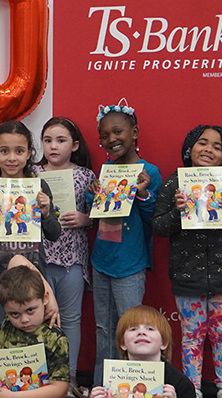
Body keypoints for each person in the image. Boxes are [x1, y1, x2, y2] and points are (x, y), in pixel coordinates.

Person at [152, 125, 222, 398]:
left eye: (217, 147)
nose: (208, 149)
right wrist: (177, 211)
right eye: (202, 143)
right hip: (187, 275)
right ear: (189, 149)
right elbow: (158, 226)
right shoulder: (174, 183)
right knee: (191, 336)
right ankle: (191, 387)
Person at [88, 100, 161, 386]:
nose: (111, 140)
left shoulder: (149, 172)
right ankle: (100, 386)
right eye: (104, 136)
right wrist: (93, 193)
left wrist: (142, 194)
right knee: (103, 328)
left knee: (130, 330)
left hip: (129, 263)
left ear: (134, 132)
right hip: (101, 260)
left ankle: (130, 388)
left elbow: (154, 221)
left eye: (117, 132)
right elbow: (97, 214)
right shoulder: (105, 171)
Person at [0, 121, 61, 328]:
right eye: (4, 151)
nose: (12, 158)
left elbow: (55, 234)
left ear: (29, 154)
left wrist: (46, 213)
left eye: (19, 151)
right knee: (1, 338)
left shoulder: (39, 187)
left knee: (34, 338)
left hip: (34, 279)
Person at [33, 116, 95, 386]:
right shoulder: (31, 173)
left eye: (61, 140)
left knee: (70, 320)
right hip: (39, 258)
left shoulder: (86, 175)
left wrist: (86, 219)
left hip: (72, 258)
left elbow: (100, 211)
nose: (53, 147)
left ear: (75, 145)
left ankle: (67, 380)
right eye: (47, 140)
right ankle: (39, 378)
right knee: (36, 319)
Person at [0, 263, 70, 398]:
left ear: (44, 298)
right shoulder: (8, 323)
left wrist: (52, 300)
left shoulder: (55, 337)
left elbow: (60, 388)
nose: (24, 319)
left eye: (30, 310)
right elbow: (16, 259)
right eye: (15, 314)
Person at [87, 305, 196, 398]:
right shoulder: (110, 380)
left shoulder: (180, 383)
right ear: (122, 344)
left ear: (164, 343)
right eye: (133, 329)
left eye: (150, 329)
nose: (141, 332)